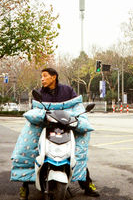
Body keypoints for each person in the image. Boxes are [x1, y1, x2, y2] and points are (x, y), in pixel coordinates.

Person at [13, 68, 100, 200]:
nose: (42, 79)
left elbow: (77, 106)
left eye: (45, 76)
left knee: (77, 154)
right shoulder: (40, 93)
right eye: (41, 76)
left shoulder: (67, 90)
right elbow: (36, 110)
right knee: (31, 151)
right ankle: (24, 186)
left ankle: (87, 184)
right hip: (46, 127)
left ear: (54, 77)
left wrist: (77, 117)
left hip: (66, 127)